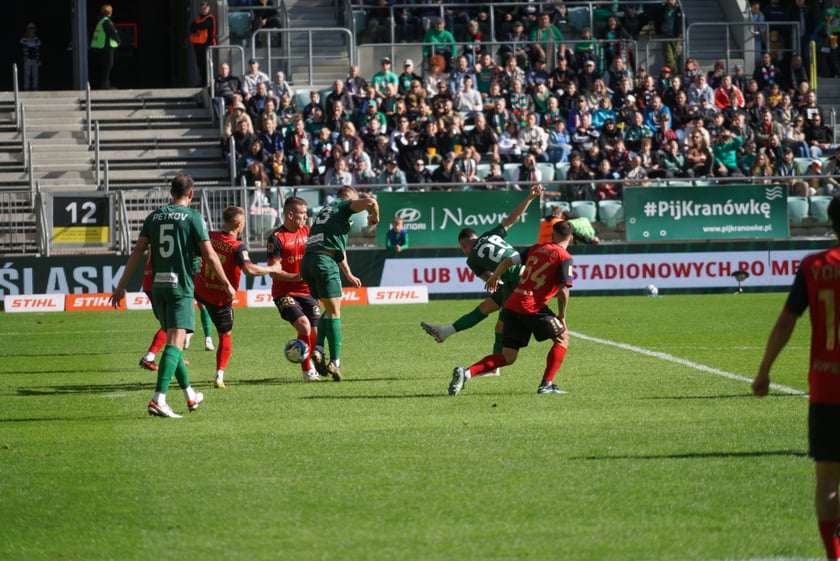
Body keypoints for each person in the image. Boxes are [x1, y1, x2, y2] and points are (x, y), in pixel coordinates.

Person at [752, 195, 840, 561]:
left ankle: (834, 556)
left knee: (827, 481)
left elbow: (787, 320)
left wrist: (763, 372)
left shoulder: (814, 265)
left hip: (827, 387)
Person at [110, 174, 235, 418]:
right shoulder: (192, 217)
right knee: (175, 344)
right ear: (191, 194)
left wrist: (120, 286)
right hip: (181, 288)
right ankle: (159, 399)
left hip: (158, 287)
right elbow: (209, 255)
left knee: (173, 343)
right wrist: (226, 283)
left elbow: (137, 252)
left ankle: (189, 394)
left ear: (170, 193)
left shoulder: (154, 216)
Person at [420, 185, 544, 378]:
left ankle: (494, 366)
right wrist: (530, 197)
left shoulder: (471, 259)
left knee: (500, 326)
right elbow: (513, 218)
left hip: (517, 283)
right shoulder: (490, 235)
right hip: (524, 273)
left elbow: (489, 280)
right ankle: (445, 332)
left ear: (463, 245)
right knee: (486, 306)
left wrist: (494, 280)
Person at [448, 219, 574, 396]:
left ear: (552, 234)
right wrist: (562, 316)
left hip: (512, 303)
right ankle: (546, 385)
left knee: (508, 356)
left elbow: (508, 261)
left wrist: (494, 277)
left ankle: (466, 373)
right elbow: (564, 290)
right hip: (531, 306)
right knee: (562, 339)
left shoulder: (535, 248)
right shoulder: (565, 257)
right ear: (571, 238)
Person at [194, 206, 279, 389]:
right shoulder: (237, 246)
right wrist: (271, 269)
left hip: (200, 289)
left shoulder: (210, 236)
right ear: (238, 224)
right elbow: (249, 269)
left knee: (177, 327)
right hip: (220, 299)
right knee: (225, 336)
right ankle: (219, 376)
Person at [300, 186, 379, 381]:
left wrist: (349, 274)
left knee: (330, 307)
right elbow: (371, 202)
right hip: (324, 263)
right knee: (335, 312)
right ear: (350, 197)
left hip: (308, 262)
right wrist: (374, 217)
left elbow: (335, 247)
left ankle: (318, 348)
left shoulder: (325, 211)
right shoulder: (343, 205)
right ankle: (335, 361)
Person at [267, 196, 329, 382]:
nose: (305, 217)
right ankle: (307, 371)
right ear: (290, 214)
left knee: (316, 332)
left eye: (306, 213)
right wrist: (297, 276)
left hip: (308, 291)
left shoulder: (309, 233)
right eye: (302, 214)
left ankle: (318, 361)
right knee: (304, 325)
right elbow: (273, 272)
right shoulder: (276, 238)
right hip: (284, 292)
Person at [90, 4, 120, 90]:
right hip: (107, 46)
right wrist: (118, 41)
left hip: (102, 46)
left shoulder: (101, 21)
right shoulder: (106, 22)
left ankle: (105, 84)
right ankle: (106, 85)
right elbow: (112, 33)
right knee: (109, 65)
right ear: (110, 12)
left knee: (106, 65)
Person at [189, 2, 217, 87]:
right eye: (202, 9)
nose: (203, 10)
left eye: (205, 8)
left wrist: (196, 27)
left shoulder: (210, 18)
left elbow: (203, 26)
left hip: (207, 45)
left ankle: (207, 83)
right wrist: (196, 27)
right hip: (198, 45)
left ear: (208, 9)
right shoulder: (198, 19)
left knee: (206, 64)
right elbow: (191, 28)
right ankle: (203, 82)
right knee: (200, 64)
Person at [20, 22, 41, 91]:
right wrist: (28, 38)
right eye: (30, 28)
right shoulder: (24, 38)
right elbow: (21, 42)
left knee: (35, 75)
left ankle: (35, 88)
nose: (31, 30)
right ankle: (27, 89)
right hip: (27, 59)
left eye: (32, 28)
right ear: (27, 30)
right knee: (27, 75)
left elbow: (39, 46)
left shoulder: (37, 38)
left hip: (35, 59)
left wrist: (39, 59)